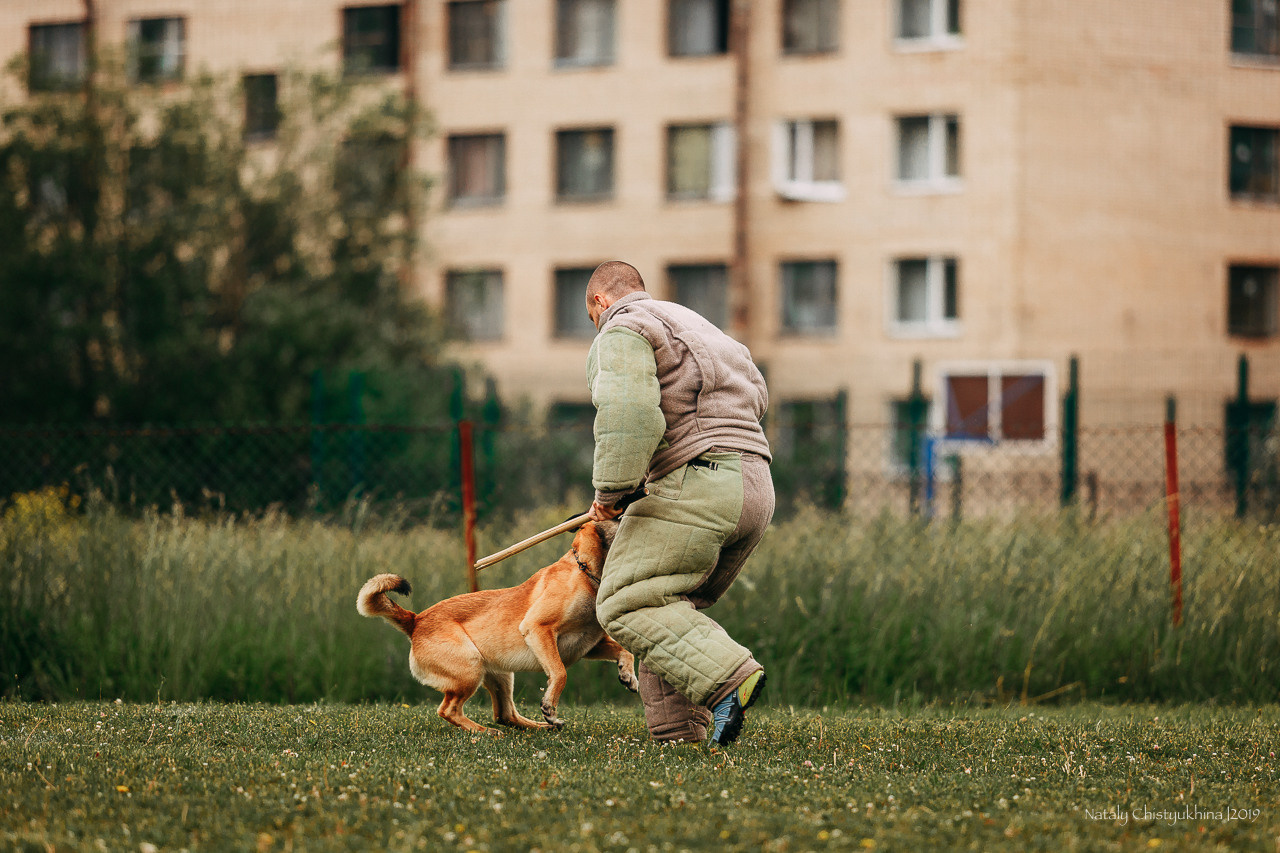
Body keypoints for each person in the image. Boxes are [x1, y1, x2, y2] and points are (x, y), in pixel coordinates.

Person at [583, 260, 774, 746]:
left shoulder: (623, 326)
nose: (596, 327)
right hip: (754, 484)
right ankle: (677, 732)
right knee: (665, 604)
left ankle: (730, 677)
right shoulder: (700, 326)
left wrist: (611, 492)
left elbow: (629, 413)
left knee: (626, 602)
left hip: (699, 481)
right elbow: (757, 395)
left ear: (600, 301)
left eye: (592, 317)